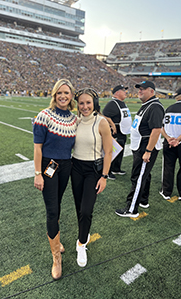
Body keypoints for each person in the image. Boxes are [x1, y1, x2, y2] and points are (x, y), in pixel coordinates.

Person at [33, 79, 77, 280]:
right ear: (54, 95)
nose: (63, 96)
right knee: (52, 210)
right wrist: (37, 173)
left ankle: (57, 241)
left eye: (66, 93)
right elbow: (38, 148)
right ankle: (56, 258)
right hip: (49, 167)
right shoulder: (44, 116)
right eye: (59, 93)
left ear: (71, 96)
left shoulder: (74, 119)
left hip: (66, 166)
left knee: (58, 205)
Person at [71, 88, 112, 267]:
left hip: (93, 170)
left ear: (94, 103)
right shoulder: (75, 121)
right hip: (76, 167)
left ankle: (81, 244)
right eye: (81, 103)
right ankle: (84, 232)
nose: (85, 106)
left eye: (88, 103)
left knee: (87, 210)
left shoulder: (101, 122)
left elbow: (109, 151)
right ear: (77, 105)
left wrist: (104, 176)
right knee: (79, 207)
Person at [115, 81, 164, 218]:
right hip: (140, 145)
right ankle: (143, 200)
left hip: (145, 146)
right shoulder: (147, 105)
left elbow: (156, 130)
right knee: (144, 175)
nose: (139, 91)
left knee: (138, 177)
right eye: (139, 89)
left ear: (152, 91)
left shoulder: (154, 106)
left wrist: (148, 151)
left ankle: (132, 209)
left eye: (143, 89)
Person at [103, 84, 132, 180]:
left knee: (120, 151)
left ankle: (116, 168)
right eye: (123, 90)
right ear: (117, 93)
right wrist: (112, 124)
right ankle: (108, 170)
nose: (125, 92)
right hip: (116, 132)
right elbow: (104, 115)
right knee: (113, 151)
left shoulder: (121, 102)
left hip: (122, 131)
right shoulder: (112, 103)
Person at [159, 87, 181, 200]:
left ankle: (166, 192)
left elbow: (161, 127)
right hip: (178, 142)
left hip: (168, 143)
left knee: (168, 167)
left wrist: (168, 138)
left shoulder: (168, 109)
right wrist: (178, 139)